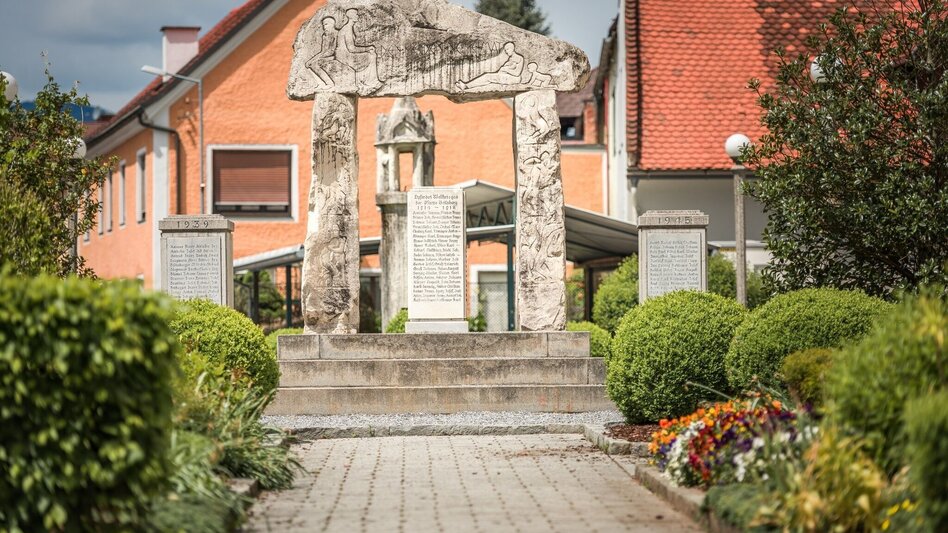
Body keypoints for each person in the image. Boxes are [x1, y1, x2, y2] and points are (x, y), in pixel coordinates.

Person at [335, 8, 383, 91]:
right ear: (351, 16)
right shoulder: (347, 29)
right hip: (345, 56)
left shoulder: (349, 27)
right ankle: (370, 81)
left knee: (371, 53)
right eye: (356, 14)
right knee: (371, 55)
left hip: (344, 54)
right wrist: (367, 48)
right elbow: (351, 48)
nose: (357, 16)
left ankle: (366, 80)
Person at [456, 42, 524, 90]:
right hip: (505, 76)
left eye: (507, 49)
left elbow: (517, 73)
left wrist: (505, 69)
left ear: (512, 48)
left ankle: (466, 86)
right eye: (505, 50)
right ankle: (467, 85)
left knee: (487, 76)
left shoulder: (519, 58)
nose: (506, 51)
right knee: (487, 76)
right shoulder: (510, 58)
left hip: (514, 79)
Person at [305, 17, 339, 89]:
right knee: (308, 64)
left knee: (315, 64)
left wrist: (317, 59)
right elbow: (323, 50)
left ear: (332, 24)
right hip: (326, 55)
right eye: (323, 25)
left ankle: (330, 83)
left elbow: (332, 51)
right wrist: (311, 60)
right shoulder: (325, 35)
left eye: (326, 24)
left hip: (335, 56)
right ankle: (321, 83)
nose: (324, 27)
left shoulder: (336, 33)